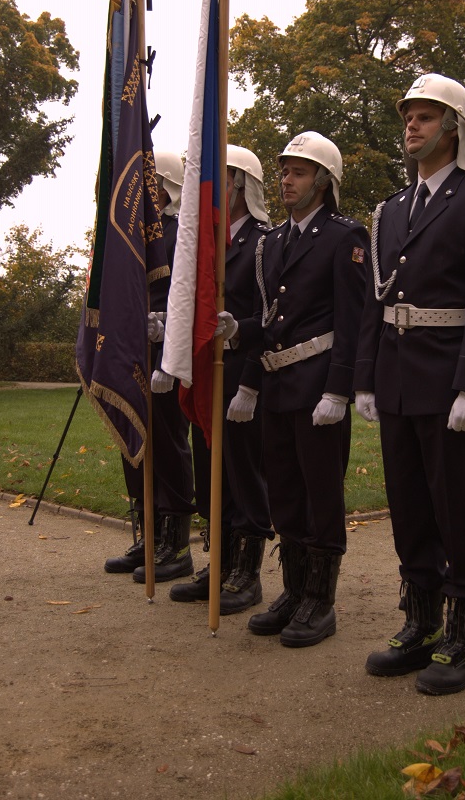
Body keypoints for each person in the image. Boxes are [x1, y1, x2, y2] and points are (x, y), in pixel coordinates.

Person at [354, 73, 465, 695]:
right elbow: (376, 302)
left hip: (451, 382)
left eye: (425, 117)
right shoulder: (390, 210)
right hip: (396, 380)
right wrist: (365, 378)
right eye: (408, 117)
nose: (411, 126)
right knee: (410, 509)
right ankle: (420, 623)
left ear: (453, 127)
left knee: (458, 509)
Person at [229, 132, 370, 648]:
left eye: (299, 172)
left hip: (317, 387)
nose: (286, 180)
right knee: (285, 492)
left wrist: (340, 390)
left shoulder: (345, 237)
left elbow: (354, 323)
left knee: (321, 494)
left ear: (324, 181)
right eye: (284, 171)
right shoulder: (272, 242)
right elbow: (271, 321)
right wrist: (239, 334)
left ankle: (320, 600)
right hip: (276, 383)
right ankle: (292, 589)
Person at [170, 145, 274, 614]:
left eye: (220, 181)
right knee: (212, 473)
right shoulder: (203, 244)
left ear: (241, 186)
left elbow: (269, 321)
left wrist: (251, 382)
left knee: (244, 475)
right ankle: (220, 561)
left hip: (242, 371)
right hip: (207, 372)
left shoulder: (263, 243)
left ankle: (246, 573)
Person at [104, 150, 195, 582]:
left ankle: (174, 542)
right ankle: (148, 532)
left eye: (147, 185)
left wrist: (166, 334)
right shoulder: (132, 236)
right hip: (131, 352)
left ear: (168, 189)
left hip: (166, 357)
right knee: (133, 442)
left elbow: (186, 299)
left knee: (168, 443)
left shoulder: (180, 236)